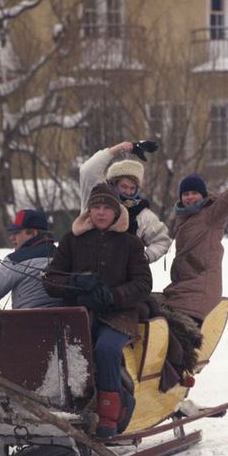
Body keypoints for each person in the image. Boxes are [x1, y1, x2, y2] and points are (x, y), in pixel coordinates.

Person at [43, 184, 153, 438]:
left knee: (106, 349)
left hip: (118, 316)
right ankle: (64, 406)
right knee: (63, 351)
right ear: (88, 211)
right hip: (78, 313)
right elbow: (50, 280)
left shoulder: (130, 243)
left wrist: (114, 296)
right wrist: (74, 282)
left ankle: (110, 413)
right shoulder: (72, 239)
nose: (101, 213)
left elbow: (143, 284)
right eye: (96, 207)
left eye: (106, 208)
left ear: (116, 213)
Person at [161, 147, 228, 326]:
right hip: (181, 288)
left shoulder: (211, 214)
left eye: (194, 193)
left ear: (203, 195)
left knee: (171, 329)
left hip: (200, 290)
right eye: (186, 194)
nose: (190, 197)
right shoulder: (182, 218)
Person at [78, 140, 171, 263]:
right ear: (113, 184)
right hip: (86, 270)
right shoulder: (96, 195)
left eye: (132, 188)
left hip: (122, 277)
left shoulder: (142, 215)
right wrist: (118, 148)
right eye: (124, 186)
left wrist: (142, 258)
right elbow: (87, 171)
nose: (128, 192)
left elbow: (162, 240)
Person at [0, 208, 65, 309]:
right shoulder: (63, 256)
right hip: (65, 323)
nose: (11, 238)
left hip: (24, 323)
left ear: (33, 233)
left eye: (16, 232)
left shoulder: (15, 260)